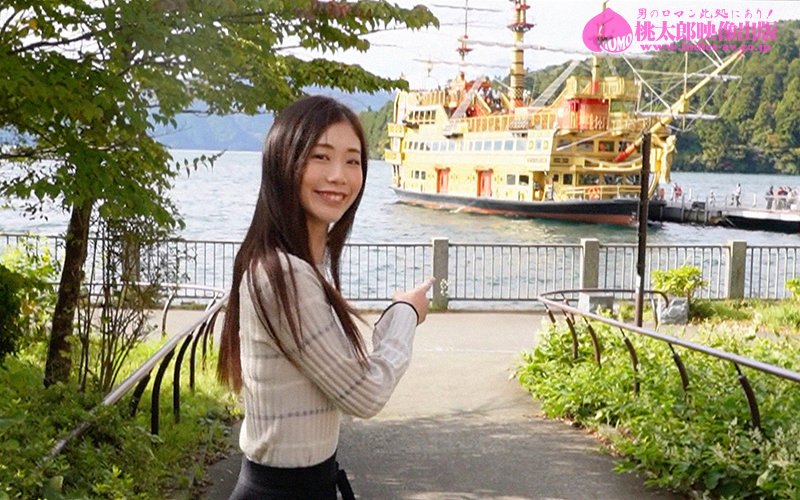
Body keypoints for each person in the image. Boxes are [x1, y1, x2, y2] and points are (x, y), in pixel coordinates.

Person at [217, 95, 433, 500]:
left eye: (353, 161)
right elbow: (366, 394)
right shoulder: (283, 275)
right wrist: (404, 314)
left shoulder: (294, 267)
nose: (339, 175)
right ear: (284, 162)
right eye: (321, 156)